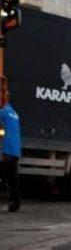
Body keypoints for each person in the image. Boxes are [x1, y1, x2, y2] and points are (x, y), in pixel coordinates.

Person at [0, 78, 21, 212]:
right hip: (14, 150)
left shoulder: (1, 111)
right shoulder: (12, 111)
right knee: (12, 179)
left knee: (6, 177)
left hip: (4, 149)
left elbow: (1, 130)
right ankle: (15, 204)